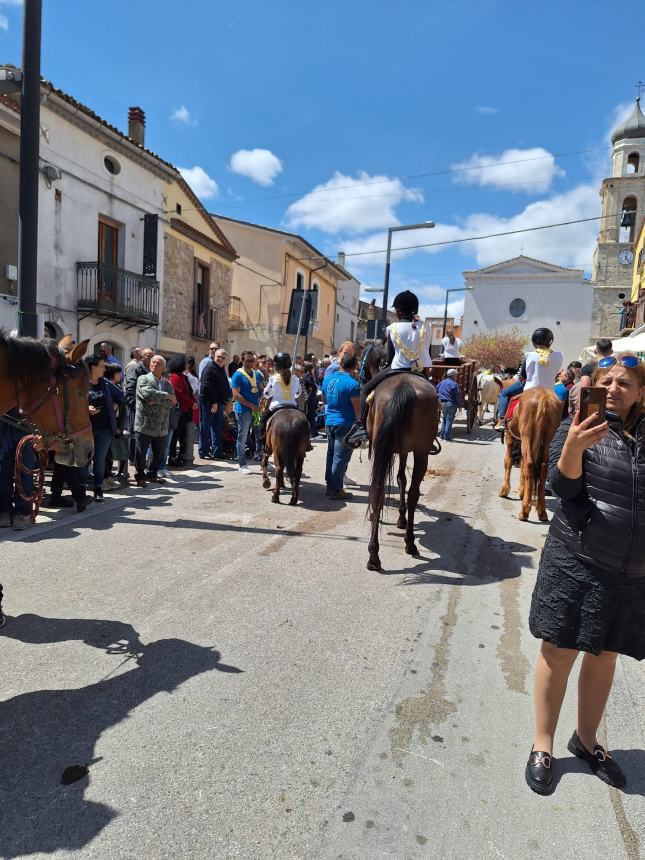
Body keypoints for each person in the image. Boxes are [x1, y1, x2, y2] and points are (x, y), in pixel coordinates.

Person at [525, 353, 645, 796]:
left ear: (641, 393)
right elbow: (563, 488)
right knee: (558, 652)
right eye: (606, 381)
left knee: (605, 655)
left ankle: (587, 739)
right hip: (577, 561)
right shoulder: (572, 424)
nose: (614, 388)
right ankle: (543, 744)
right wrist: (574, 446)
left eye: (626, 383)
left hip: (631, 574)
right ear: (591, 386)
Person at [345, 290, 431, 447]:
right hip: (419, 371)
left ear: (398, 311)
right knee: (433, 396)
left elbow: (390, 357)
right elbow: (427, 352)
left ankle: (361, 426)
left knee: (365, 390)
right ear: (415, 309)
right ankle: (429, 433)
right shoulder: (426, 327)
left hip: (396, 368)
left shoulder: (393, 328)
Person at [495, 328, 563, 431]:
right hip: (550, 390)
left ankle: (501, 420)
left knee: (504, 393)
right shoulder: (559, 356)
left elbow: (523, 374)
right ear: (550, 341)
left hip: (530, 387)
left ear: (534, 341)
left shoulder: (529, 355)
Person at [322, 352, 361, 500]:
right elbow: (357, 410)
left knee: (331, 454)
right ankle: (336, 489)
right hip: (345, 424)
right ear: (354, 366)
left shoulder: (327, 380)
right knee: (340, 457)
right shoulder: (353, 384)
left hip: (330, 422)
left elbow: (324, 400)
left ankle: (329, 485)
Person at [134, 355, 177, 487]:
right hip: (145, 424)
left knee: (159, 453)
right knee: (141, 454)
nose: (154, 365)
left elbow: (172, 403)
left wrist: (158, 400)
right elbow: (147, 395)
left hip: (161, 425)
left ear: (163, 367)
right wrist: (166, 397)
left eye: (158, 363)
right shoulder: (143, 379)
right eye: (152, 362)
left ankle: (152, 474)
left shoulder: (167, 383)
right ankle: (140, 476)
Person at [231, 351, 261, 474]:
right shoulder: (237, 375)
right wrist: (251, 406)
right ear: (242, 361)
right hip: (243, 410)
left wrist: (264, 396)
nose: (249, 363)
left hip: (255, 410)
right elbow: (236, 395)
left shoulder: (256, 374)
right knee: (242, 437)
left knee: (259, 436)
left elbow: (260, 389)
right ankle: (242, 464)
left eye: (251, 361)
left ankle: (260, 458)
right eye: (247, 360)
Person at [199, 348, 231, 459]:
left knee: (217, 428)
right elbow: (206, 387)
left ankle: (217, 452)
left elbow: (225, 386)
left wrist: (227, 401)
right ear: (214, 357)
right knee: (205, 427)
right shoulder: (209, 368)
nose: (221, 359)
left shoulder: (221, 369)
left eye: (223, 357)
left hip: (220, 403)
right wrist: (213, 402)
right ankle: (203, 452)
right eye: (219, 357)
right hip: (209, 403)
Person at [125, 347, 153, 462]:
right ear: (141, 357)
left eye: (152, 355)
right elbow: (130, 389)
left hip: (148, 410)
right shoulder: (135, 368)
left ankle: (141, 459)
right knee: (133, 434)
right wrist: (135, 405)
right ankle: (132, 459)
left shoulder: (151, 370)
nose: (151, 358)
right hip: (136, 408)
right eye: (148, 356)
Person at [167, 356, 195, 467]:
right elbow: (178, 393)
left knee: (184, 434)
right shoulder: (174, 377)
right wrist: (191, 403)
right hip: (180, 410)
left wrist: (193, 402)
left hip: (187, 410)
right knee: (176, 434)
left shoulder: (184, 377)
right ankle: (172, 457)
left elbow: (190, 392)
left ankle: (182, 455)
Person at [437, 368, 461, 441]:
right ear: (453, 376)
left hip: (442, 403)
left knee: (444, 419)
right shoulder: (455, 384)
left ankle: (442, 435)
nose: (456, 376)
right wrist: (459, 405)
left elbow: (436, 388)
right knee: (449, 420)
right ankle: (446, 437)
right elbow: (457, 396)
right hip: (451, 404)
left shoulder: (442, 382)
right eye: (456, 375)